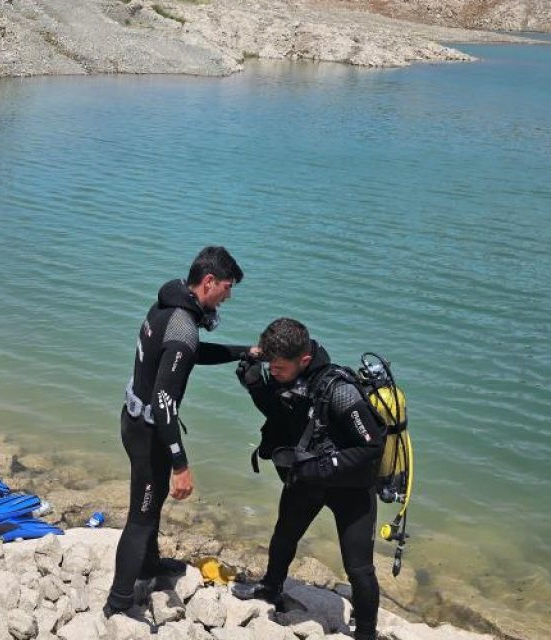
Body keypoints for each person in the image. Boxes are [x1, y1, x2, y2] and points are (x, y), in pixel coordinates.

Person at [105, 246, 254, 616]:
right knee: (141, 517)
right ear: (209, 282)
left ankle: (149, 567)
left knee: (151, 501)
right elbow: (163, 401)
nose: (228, 296)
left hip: (133, 418)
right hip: (149, 430)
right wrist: (180, 464)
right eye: (227, 288)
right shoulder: (184, 327)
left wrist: (244, 351)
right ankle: (117, 605)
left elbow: (191, 353)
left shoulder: (168, 303)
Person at [230, 318, 384, 640]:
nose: (274, 371)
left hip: (351, 489)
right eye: (270, 365)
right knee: (283, 537)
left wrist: (324, 467)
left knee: (359, 568)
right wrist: (256, 386)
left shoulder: (341, 392)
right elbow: (280, 415)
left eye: (279, 368)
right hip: (307, 479)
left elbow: (372, 446)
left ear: (304, 360)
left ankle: (366, 632)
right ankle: (270, 589)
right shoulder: (287, 375)